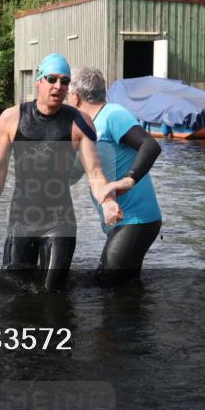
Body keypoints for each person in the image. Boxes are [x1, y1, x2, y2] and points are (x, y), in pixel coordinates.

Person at [0, 53, 123, 292]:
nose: (59, 86)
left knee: (53, 296)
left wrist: (108, 200)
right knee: (15, 294)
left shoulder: (79, 122)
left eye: (65, 81)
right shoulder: (12, 118)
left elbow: (95, 172)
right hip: (22, 220)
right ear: (38, 81)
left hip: (60, 223)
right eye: (52, 79)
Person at [66, 67, 163, 285]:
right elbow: (73, 175)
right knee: (125, 291)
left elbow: (150, 146)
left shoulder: (112, 114)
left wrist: (127, 181)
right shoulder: (85, 129)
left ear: (75, 97)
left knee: (107, 286)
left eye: (66, 96)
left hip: (137, 219)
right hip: (122, 221)